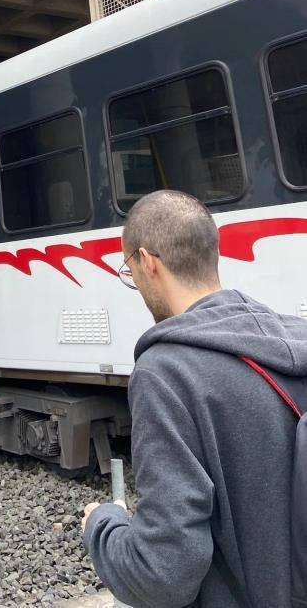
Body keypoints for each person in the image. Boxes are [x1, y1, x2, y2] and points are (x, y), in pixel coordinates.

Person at [82, 190, 307, 608]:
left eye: (129, 271)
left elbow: (163, 574)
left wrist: (101, 523)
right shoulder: (295, 338)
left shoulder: (166, 373)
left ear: (148, 262)